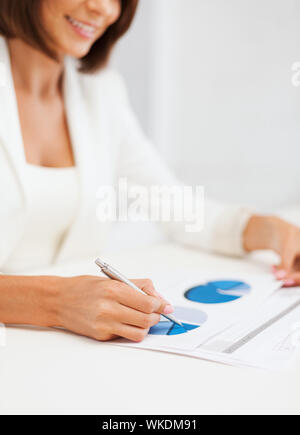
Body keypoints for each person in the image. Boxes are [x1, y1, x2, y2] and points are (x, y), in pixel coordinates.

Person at [0, 0, 299, 343]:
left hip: (67, 351)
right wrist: (55, 302)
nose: (103, 9)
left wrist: (272, 232)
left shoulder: (101, 92)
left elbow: (171, 203)